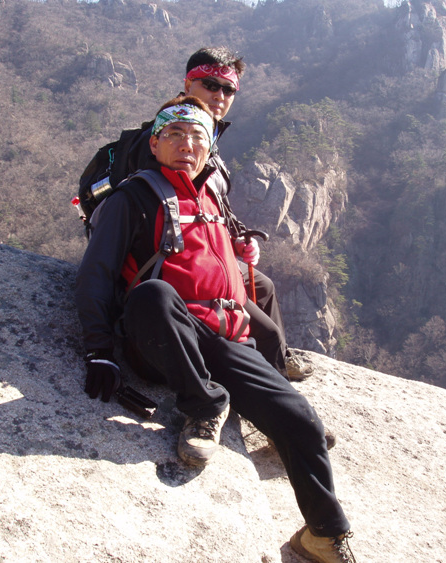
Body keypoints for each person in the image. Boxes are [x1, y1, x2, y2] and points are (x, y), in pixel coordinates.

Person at [75, 97, 356, 563]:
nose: (187, 145)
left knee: (302, 420)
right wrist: (98, 349)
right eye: (174, 135)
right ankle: (204, 404)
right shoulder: (131, 198)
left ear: (209, 148)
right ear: (155, 144)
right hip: (162, 335)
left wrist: (262, 331)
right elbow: (95, 274)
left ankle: (323, 536)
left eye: (197, 137)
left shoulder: (211, 195)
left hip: (222, 335)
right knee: (153, 294)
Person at [109, 46, 314, 382]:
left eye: (228, 89)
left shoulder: (207, 137)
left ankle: (276, 357)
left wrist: (236, 239)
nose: (220, 95)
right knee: (258, 308)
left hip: (202, 248)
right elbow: (154, 210)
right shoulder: (166, 137)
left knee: (262, 286)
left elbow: (211, 205)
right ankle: (267, 366)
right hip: (168, 260)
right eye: (210, 84)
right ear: (188, 84)